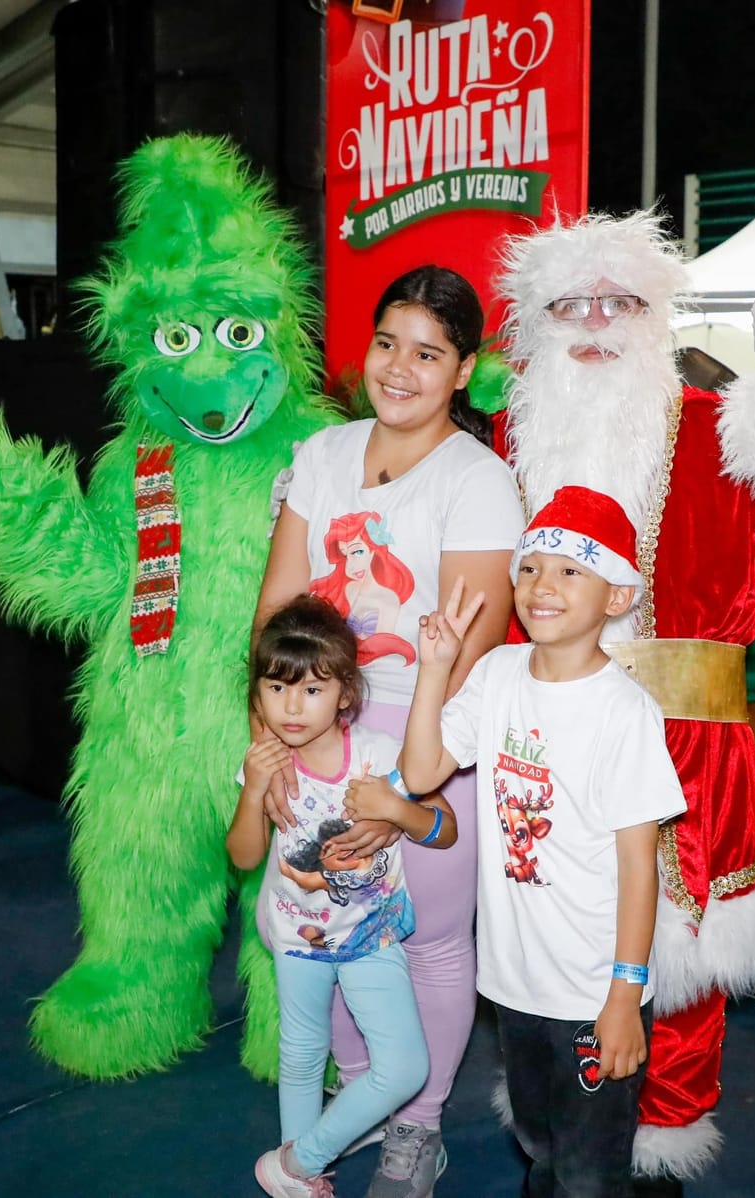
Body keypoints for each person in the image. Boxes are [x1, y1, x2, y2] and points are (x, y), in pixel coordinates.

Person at [497, 209, 755, 1192]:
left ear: (653, 314)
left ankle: (658, 1143)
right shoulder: (513, 431)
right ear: (535, 321)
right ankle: (554, 1126)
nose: (590, 323)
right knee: (544, 936)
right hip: (540, 730)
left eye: (616, 302)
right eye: (567, 304)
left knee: (685, 959)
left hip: (685, 743)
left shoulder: (713, 428)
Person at [255, 265, 526, 1196]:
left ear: (464, 370)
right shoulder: (322, 455)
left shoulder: (481, 480)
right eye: (386, 344)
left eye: (427, 353)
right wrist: (275, 740)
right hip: (317, 736)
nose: (399, 369)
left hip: (427, 748)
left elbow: (470, 651)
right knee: (329, 929)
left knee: (430, 941)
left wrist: (403, 793)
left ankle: (416, 1127)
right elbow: (278, 618)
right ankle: (358, 1104)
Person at [400, 489, 687, 1197]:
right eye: (530, 569)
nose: (541, 588)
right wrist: (435, 668)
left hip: (593, 988)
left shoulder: (624, 714)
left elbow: (637, 866)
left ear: (616, 594)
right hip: (513, 981)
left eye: (568, 572)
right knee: (538, 1140)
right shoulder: (498, 673)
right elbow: (420, 772)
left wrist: (626, 994)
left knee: (590, 1170)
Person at [228, 594, 458, 1198]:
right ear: (256, 694)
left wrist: (398, 809)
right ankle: (304, 1181)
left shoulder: (378, 758)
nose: (292, 707)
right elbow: (244, 857)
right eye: (276, 689)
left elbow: (443, 828)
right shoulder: (267, 764)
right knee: (301, 1058)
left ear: (346, 694)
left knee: (405, 1065)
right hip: (296, 936)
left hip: (368, 936)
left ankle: (299, 1160)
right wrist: (252, 791)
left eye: (311, 689)